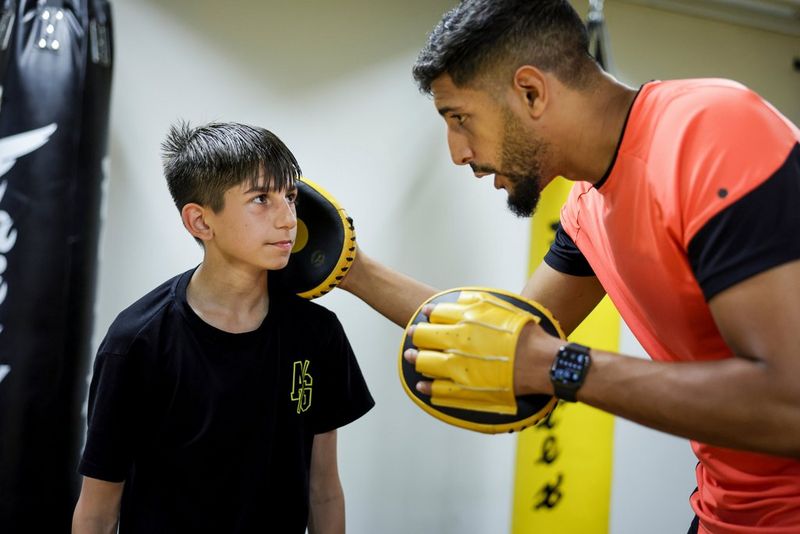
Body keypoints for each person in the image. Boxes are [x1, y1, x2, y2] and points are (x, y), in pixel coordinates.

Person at [334, 1, 800, 532]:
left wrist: (561, 367)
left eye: (459, 118)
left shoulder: (711, 132)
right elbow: (501, 339)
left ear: (531, 92)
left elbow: (790, 403)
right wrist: (350, 268)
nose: (457, 153)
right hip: (724, 512)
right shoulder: (587, 208)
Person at [71, 122, 374, 534]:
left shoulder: (318, 334)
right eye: (262, 199)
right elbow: (98, 511)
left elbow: (323, 489)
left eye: (290, 197)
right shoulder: (136, 342)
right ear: (200, 222)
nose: (288, 220)